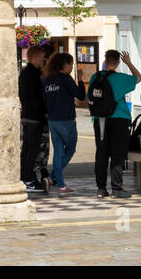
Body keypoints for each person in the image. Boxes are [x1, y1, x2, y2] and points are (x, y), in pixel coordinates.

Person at [88, 49, 141, 198]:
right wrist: (129, 63)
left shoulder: (95, 77)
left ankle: (101, 189)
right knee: (117, 154)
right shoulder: (121, 78)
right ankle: (117, 189)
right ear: (118, 62)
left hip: (100, 120)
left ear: (105, 61)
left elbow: (89, 96)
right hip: (119, 119)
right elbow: (138, 78)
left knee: (101, 153)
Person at [42, 52, 87, 194]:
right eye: (71, 64)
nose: (72, 67)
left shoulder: (47, 80)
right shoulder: (66, 79)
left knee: (58, 152)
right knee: (71, 149)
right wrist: (80, 80)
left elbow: (44, 101)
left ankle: (58, 183)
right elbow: (80, 95)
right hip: (66, 120)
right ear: (65, 65)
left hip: (52, 120)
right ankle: (53, 178)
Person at [18, 45, 50, 193]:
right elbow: (36, 97)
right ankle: (29, 180)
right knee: (33, 149)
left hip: (26, 115)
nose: (44, 60)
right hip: (35, 117)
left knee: (26, 149)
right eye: (42, 57)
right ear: (36, 57)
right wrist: (44, 112)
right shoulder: (34, 74)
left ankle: (23, 177)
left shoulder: (24, 72)